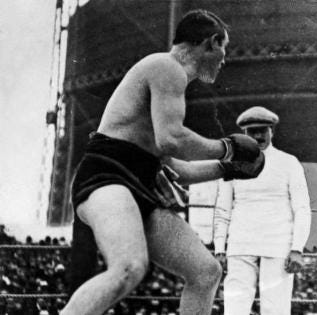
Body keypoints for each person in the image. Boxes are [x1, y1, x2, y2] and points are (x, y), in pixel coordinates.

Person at [62, 10, 265, 315]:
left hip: (139, 183)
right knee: (128, 267)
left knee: (205, 271)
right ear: (211, 43)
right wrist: (226, 148)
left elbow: (178, 170)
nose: (224, 59)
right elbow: (172, 139)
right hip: (107, 176)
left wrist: (228, 169)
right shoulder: (165, 67)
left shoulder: (169, 86)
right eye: (223, 48)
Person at [213, 106, 312, 315]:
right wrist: (220, 249)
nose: (258, 136)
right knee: (234, 308)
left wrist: (297, 248)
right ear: (244, 133)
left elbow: (302, 208)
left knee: (276, 308)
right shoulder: (232, 163)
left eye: (262, 130)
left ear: (271, 131)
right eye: (252, 131)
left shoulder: (288, 162)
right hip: (240, 243)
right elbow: (222, 209)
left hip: (278, 243)